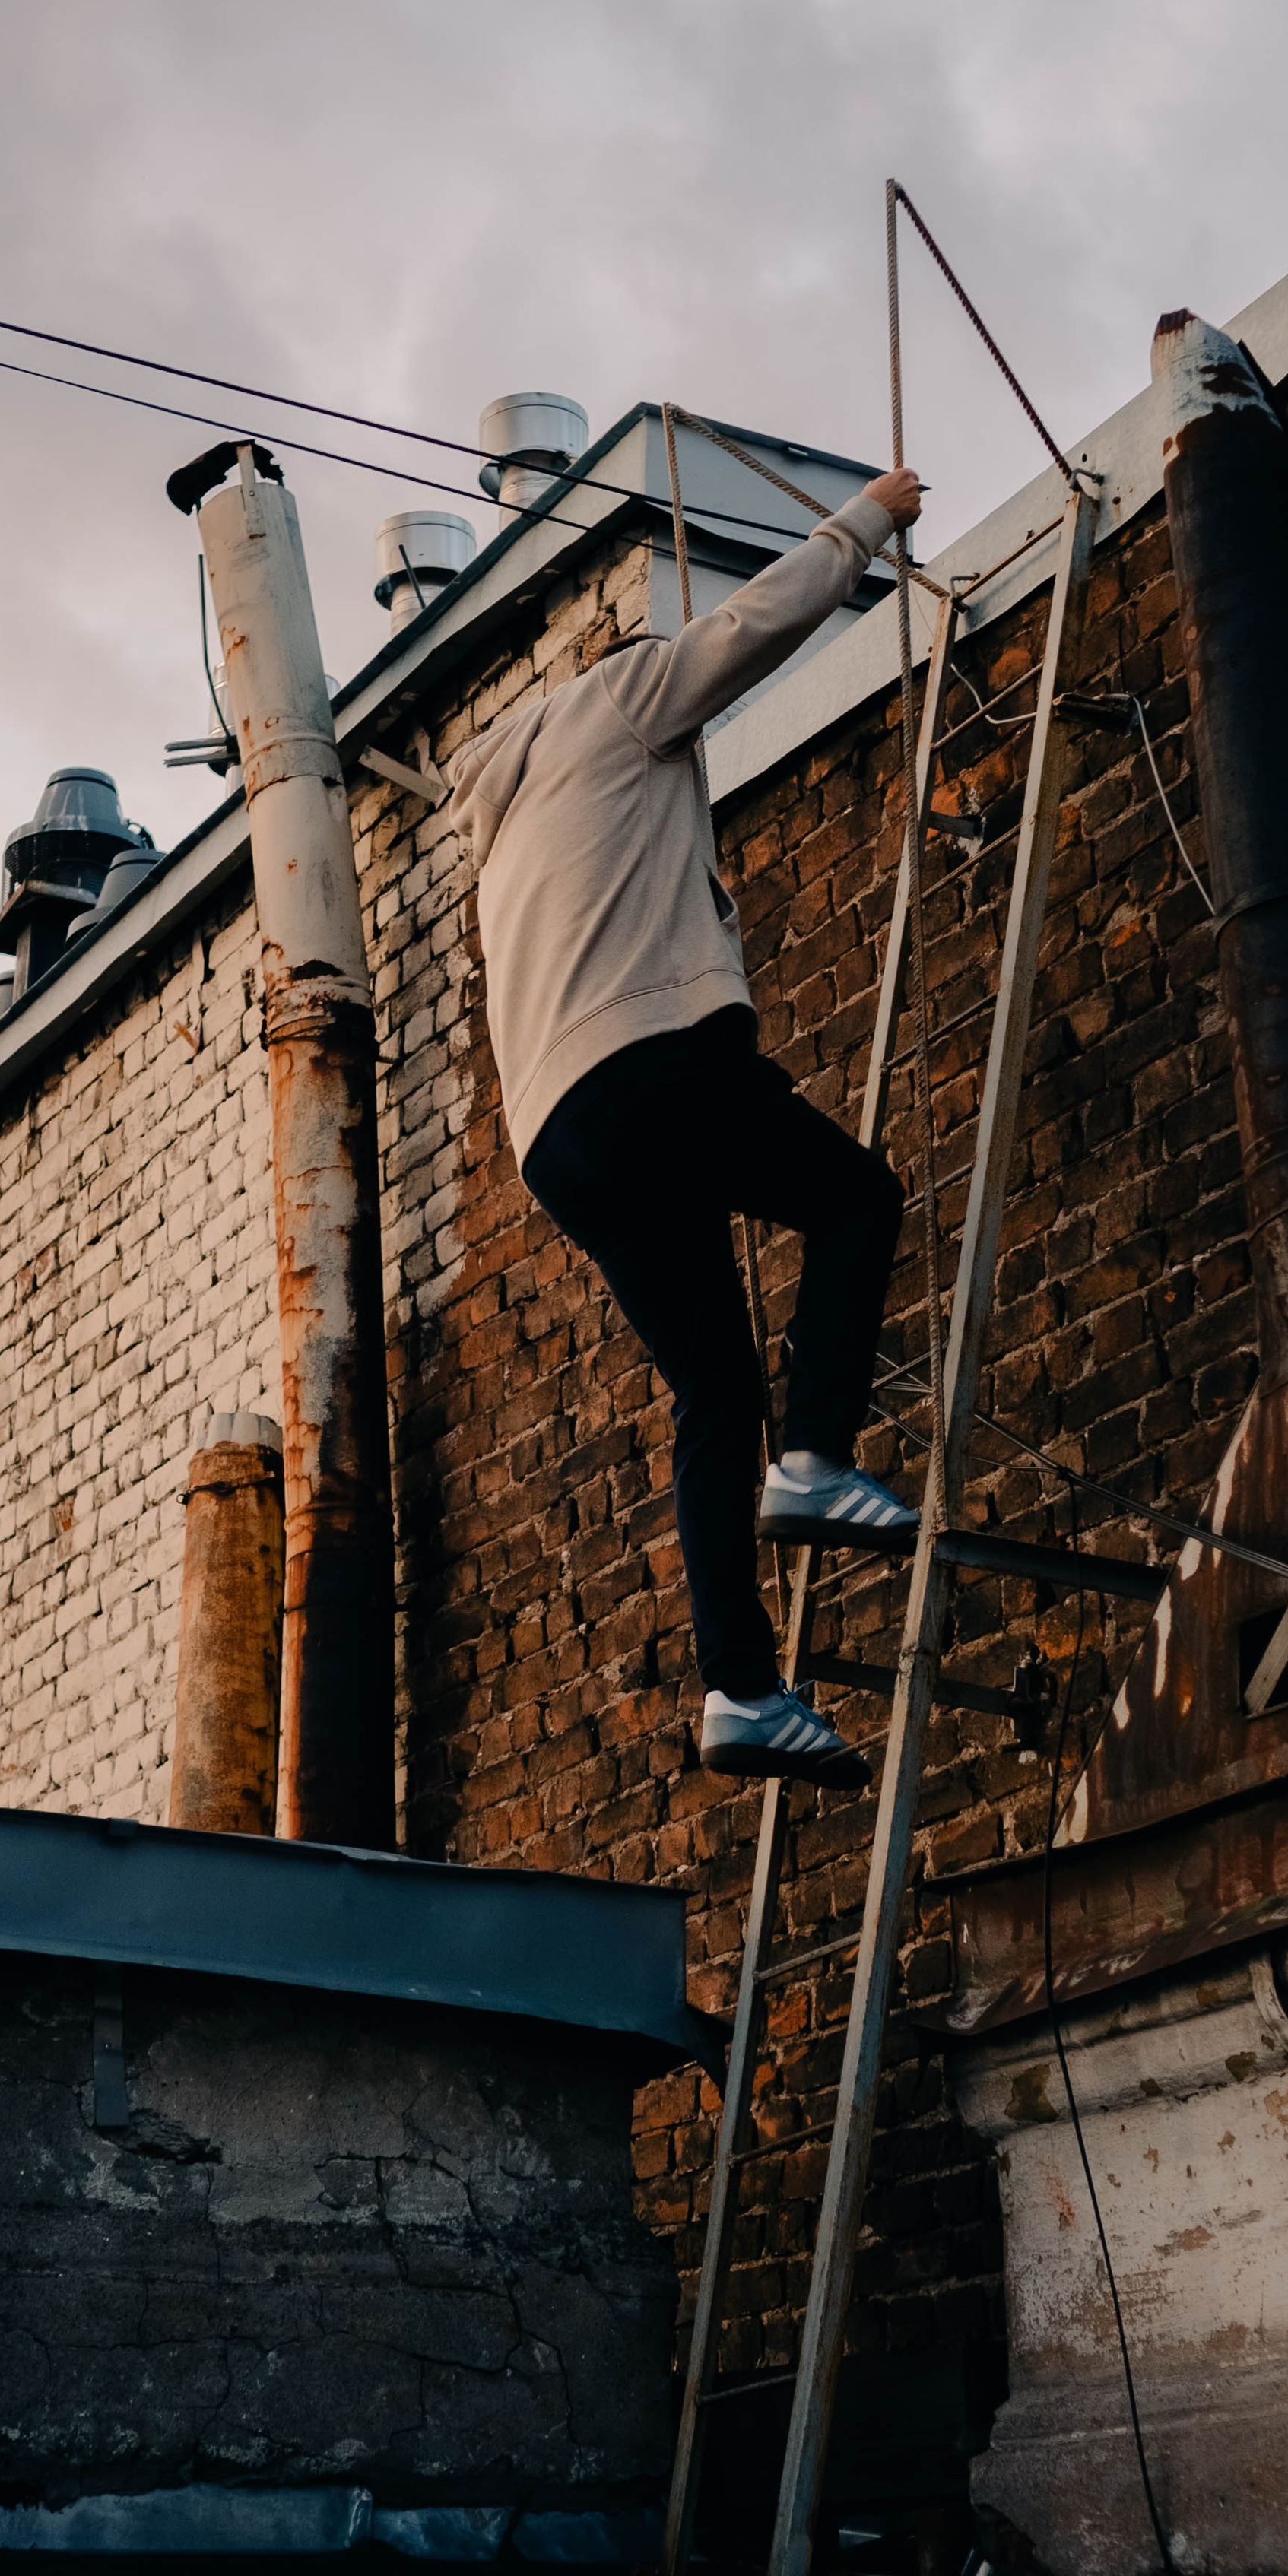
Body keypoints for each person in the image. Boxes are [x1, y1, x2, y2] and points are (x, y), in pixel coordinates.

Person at [446, 468, 927, 1786]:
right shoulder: (613, 700)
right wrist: (868, 521)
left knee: (715, 1391)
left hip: (562, 1142)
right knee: (854, 1201)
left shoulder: (506, 839)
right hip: (651, 1067)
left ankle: (740, 1694)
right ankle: (820, 1458)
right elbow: (744, 634)